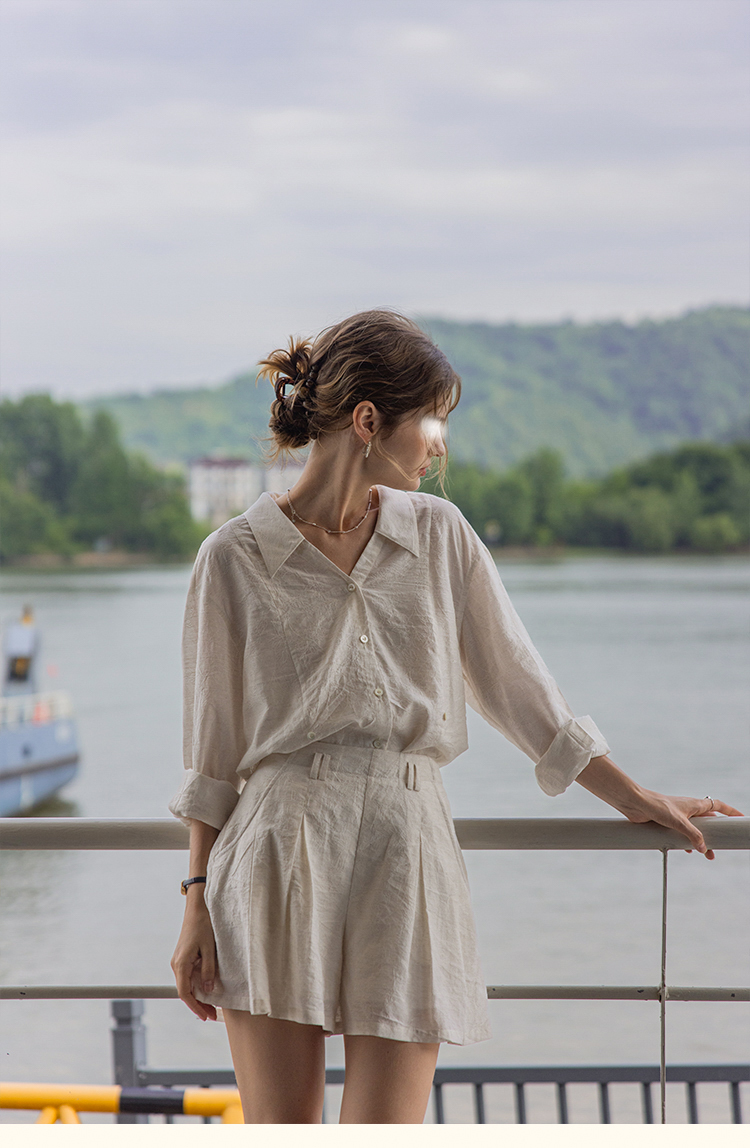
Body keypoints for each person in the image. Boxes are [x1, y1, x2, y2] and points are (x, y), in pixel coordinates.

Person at [169, 310, 741, 1124]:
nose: (439, 447)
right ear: (369, 421)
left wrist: (635, 798)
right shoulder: (233, 556)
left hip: (407, 850)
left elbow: (525, 695)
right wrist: (195, 899)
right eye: (433, 423)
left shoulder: (439, 535)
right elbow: (213, 755)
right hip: (274, 856)